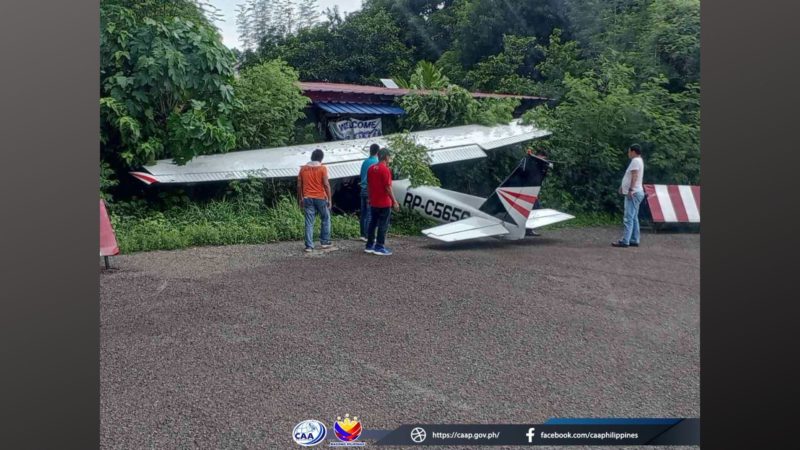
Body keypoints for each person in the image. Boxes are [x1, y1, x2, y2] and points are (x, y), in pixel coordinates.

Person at [365, 148, 400, 256]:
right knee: (383, 224)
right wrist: (394, 201)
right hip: (384, 202)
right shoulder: (385, 170)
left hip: (374, 201)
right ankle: (379, 246)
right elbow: (388, 187)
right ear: (386, 157)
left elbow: (368, 185)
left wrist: (369, 198)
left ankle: (369, 245)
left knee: (372, 223)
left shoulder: (371, 169)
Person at [297, 149, 332, 252]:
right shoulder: (322, 168)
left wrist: (300, 198)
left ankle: (309, 246)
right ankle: (325, 241)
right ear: (321, 158)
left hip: (307, 198)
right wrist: (330, 199)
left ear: (311, 157)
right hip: (320, 198)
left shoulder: (303, 169)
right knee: (325, 218)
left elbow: (299, 185)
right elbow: (326, 184)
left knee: (309, 222)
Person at [613, 144, 645, 248]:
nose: (628, 153)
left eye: (629, 151)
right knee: (634, 217)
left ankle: (625, 240)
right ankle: (634, 239)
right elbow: (631, 176)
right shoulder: (639, 160)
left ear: (633, 152)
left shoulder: (635, 161)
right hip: (637, 192)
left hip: (634, 193)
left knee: (628, 217)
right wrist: (623, 186)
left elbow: (634, 176)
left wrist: (630, 189)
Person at [358, 144, 380, 241]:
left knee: (363, 214)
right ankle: (369, 235)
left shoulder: (365, 162)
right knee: (370, 214)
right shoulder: (377, 162)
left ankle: (363, 234)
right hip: (370, 190)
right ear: (378, 152)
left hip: (362, 189)